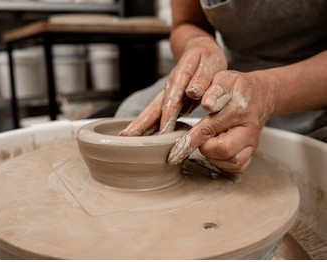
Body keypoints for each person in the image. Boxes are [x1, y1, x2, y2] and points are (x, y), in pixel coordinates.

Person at [116, 0, 327, 173]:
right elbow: (186, 23)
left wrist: (268, 92)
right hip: (230, 71)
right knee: (133, 115)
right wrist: (199, 43)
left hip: (312, 80)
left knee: (311, 163)